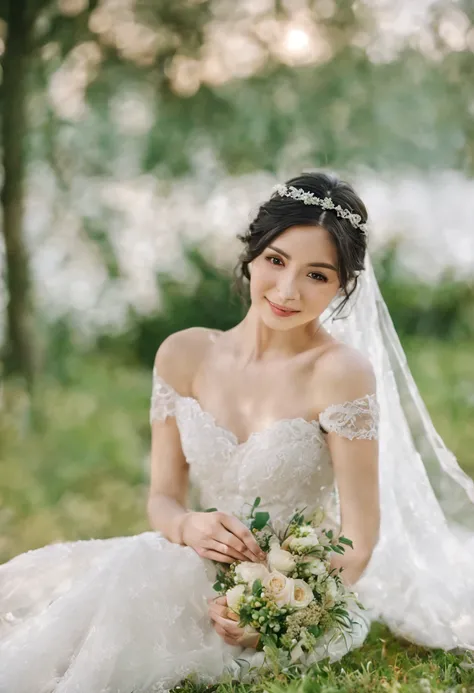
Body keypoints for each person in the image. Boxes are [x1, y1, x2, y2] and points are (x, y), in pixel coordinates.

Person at [0, 172, 473, 693]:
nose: (288, 290)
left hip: (288, 585)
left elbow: (359, 544)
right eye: (276, 261)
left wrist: (273, 609)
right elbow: (162, 499)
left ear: (343, 286)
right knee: (84, 603)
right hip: (187, 561)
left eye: (317, 275)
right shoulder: (183, 355)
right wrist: (187, 527)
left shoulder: (339, 373)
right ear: (252, 254)